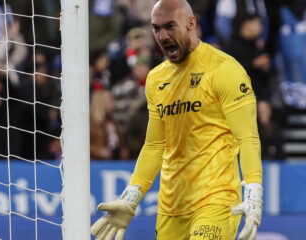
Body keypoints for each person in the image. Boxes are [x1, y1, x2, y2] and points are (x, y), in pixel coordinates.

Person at [90, 0, 263, 240]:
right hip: (170, 209)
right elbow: (155, 145)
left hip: (216, 201)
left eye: (170, 26)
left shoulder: (225, 70)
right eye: (156, 28)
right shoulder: (156, 79)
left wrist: (253, 191)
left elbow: (248, 137)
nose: (162, 35)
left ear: (191, 23)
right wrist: (130, 198)